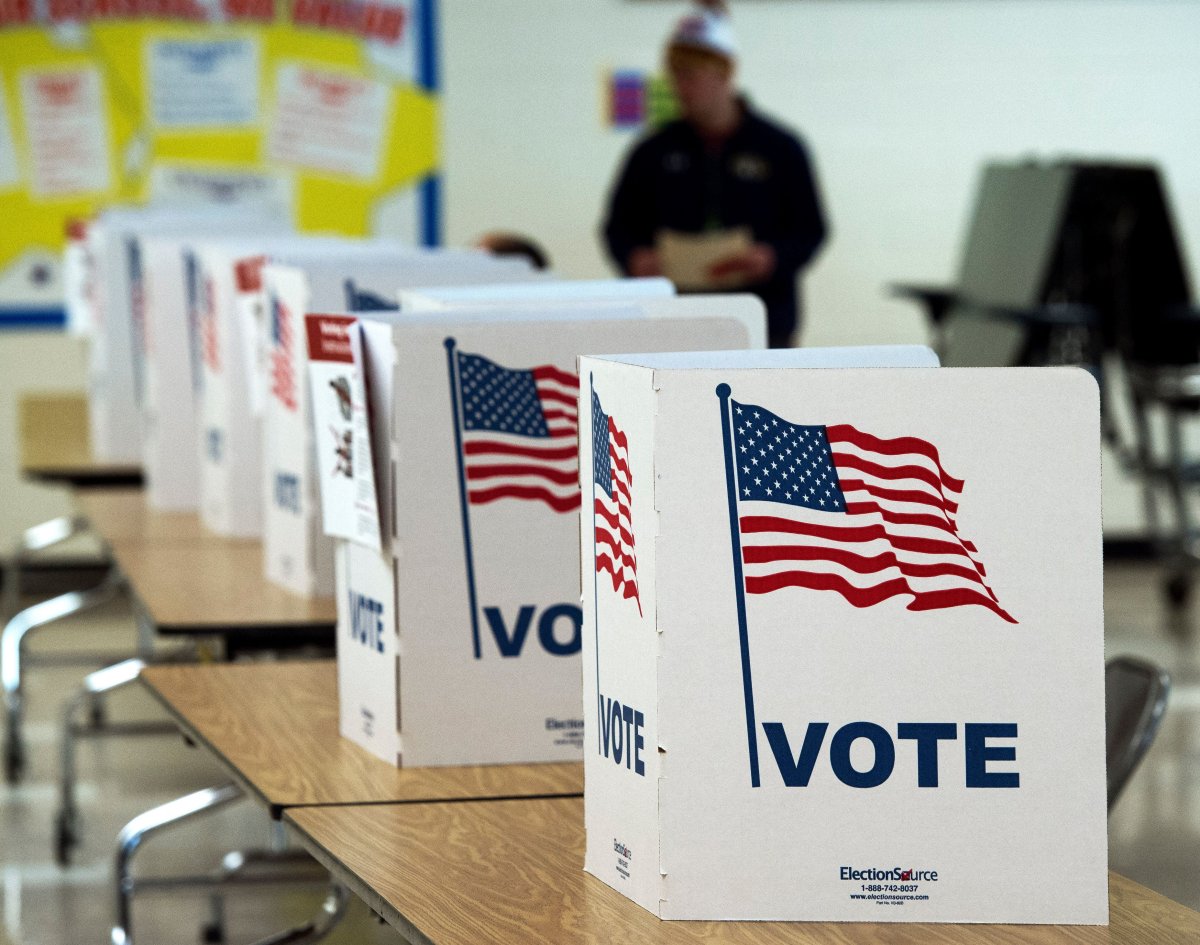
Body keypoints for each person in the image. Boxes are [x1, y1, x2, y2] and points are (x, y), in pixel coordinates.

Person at [602, 1, 827, 347]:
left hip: (763, 321)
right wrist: (635, 258)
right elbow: (618, 226)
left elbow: (811, 228)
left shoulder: (780, 148)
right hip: (673, 321)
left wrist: (773, 257)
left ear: (724, 73)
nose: (680, 86)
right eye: (674, 74)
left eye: (690, 74)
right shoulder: (652, 151)